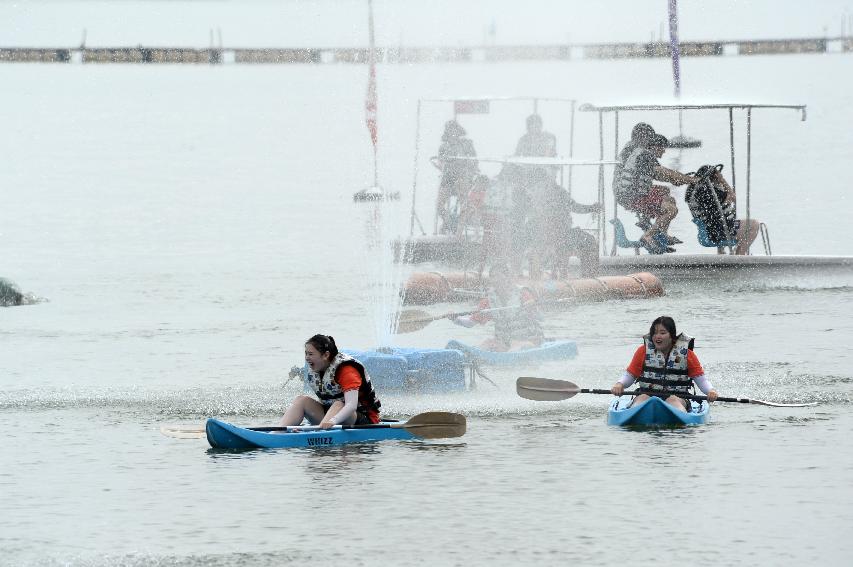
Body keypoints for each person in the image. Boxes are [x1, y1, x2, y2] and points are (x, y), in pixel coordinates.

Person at [613, 125, 696, 252]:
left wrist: (678, 179)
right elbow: (662, 173)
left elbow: (659, 174)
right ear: (644, 138)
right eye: (650, 137)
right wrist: (691, 180)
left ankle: (658, 231)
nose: (652, 140)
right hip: (632, 195)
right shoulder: (643, 153)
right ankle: (648, 236)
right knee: (671, 210)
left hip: (625, 191)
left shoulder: (630, 148)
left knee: (665, 192)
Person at [610, 316, 718, 411]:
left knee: (672, 400)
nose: (657, 336)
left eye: (662, 333)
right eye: (655, 333)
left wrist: (710, 391)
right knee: (644, 398)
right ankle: (636, 413)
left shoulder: (687, 354)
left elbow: (701, 380)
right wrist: (620, 384)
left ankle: (677, 416)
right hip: (646, 394)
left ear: (672, 336)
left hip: (679, 397)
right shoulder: (643, 351)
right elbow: (630, 375)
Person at [279, 334, 381, 428]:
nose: (307, 358)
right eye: (306, 354)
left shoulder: (347, 370)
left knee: (338, 404)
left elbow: (351, 406)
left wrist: (333, 421)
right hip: (330, 418)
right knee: (301, 400)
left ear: (326, 355)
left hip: (363, 419)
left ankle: (318, 433)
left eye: (310, 354)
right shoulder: (317, 369)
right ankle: (277, 433)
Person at [449, 264, 544, 352]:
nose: (495, 280)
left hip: (530, 340)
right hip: (505, 343)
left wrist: (533, 306)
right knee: (488, 343)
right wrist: (455, 318)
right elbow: (470, 322)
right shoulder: (489, 300)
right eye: (493, 277)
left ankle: (509, 357)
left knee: (516, 345)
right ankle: (468, 355)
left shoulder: (523, 293)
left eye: (498, 276)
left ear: (507, 277)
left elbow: (540, 317)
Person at [685, 164, 761, 255]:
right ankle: (739, 257)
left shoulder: (695, 189)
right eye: (718, 174)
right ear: (713, 176)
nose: (721, 175)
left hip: (710, 229)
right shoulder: (707, 191)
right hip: (718, 231)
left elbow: (715, 210)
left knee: (721, 216)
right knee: (754, 225)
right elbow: (733, 197)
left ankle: (722, 253)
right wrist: (723, 181)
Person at [432, 120, 479, 234]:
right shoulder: (443, 147)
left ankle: (459, 232)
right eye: (449, 130)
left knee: (464, 203)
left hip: (463, 177)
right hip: (447, 179)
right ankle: (449, 222)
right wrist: (439, 165)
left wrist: (468, 169)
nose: (452, 132)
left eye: (454, 129)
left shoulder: (467, 144)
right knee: (438, 205)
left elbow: (474, 162)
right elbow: (440, 163)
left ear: (458, 131)